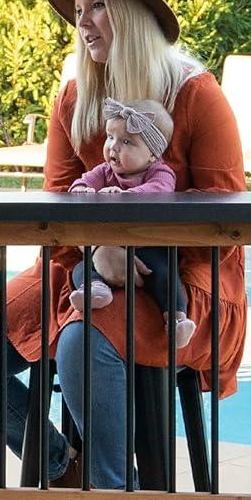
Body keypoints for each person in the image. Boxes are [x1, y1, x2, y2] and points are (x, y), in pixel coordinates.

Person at [0, 0, 244, 500]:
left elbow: (226, 228)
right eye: (79, 10)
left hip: (179, 283)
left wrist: (134, 248)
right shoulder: (75, 97)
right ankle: (62, 463)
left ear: (134, 15)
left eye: (98, 6)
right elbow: (56, 209)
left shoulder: (196, 97)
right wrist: (97, 249)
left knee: (80, 342)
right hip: (80, 267)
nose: (84, 22)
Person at [65, 99, 195, 351]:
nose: (113, 147)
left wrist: (124, 196)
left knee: (166, 273)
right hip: (107, 248)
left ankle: (177, 320)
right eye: (110, 137)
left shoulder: (160, 173)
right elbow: (79, 184)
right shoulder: (104, 172)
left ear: (153, 154)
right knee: (80, 267)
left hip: (147, 249)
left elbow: (158, 192)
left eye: (127, 142)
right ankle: (95, 289)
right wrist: (83, 191)